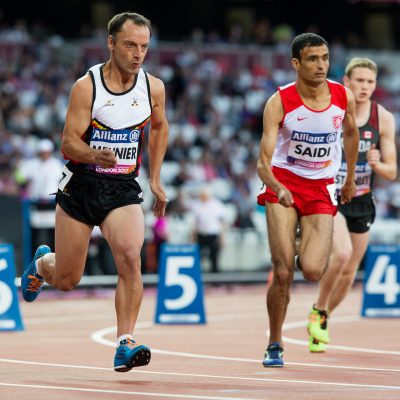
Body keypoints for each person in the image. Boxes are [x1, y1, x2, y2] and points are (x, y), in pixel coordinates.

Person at [21, 12, 169, 372]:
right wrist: (93, 153)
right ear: (111, 43)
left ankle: (125, 342)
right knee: (69, 279)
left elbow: (160, 127)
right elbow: (68, 143)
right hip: (81, 186)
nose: (138, 54)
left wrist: (156, 178)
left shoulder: (153, 87)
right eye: (130, 45)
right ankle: (43, 263)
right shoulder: (87, 87)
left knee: (131, 257)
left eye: (144, 47)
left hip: (121, 187)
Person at [256, 33, 359, 367]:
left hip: (320, 187)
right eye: (313, 59)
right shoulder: (280, 101)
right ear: (296, 64)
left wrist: (351, 176)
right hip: (283, 183)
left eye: (325, 58)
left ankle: (296, 236)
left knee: (314, 270)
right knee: (284, 271)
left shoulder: (343, 96)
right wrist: (277, 185)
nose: (321, 65)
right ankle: (275, 342)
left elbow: (352, 133)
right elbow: (262, 161)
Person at [307, 57, 397, 353]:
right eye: (359, 81)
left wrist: (377, 163)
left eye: (370, 82)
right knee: (342, 254)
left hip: (362, 198)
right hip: (331, 194)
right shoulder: (331, 108)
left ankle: (321, 317)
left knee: (350, 272)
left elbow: (392, 172)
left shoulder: (382, 117)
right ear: (346, 81)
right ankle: (319, 309)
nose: (365, 87)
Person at [190, 185, 226, 273]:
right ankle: (197, 276)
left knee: (214, 257)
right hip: (201, 234)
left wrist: (222, 237)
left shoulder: (216, 204)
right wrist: (193, 237)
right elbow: (195, 222)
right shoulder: (196, 205)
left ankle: (216, 280)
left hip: (213, 234)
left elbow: (221, 222)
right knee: (197, 257)